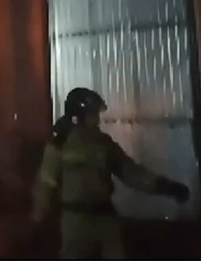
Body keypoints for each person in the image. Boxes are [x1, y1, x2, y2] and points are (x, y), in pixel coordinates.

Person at [30, 87, 191, 259]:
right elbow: (46, 182)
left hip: (104, 217)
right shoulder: (60, 144)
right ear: (80, 115)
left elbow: (130, 172)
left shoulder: (103, 143)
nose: (98, 119)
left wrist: (164, 186)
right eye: (93, 114)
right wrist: (37, 217)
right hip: (76, 222)